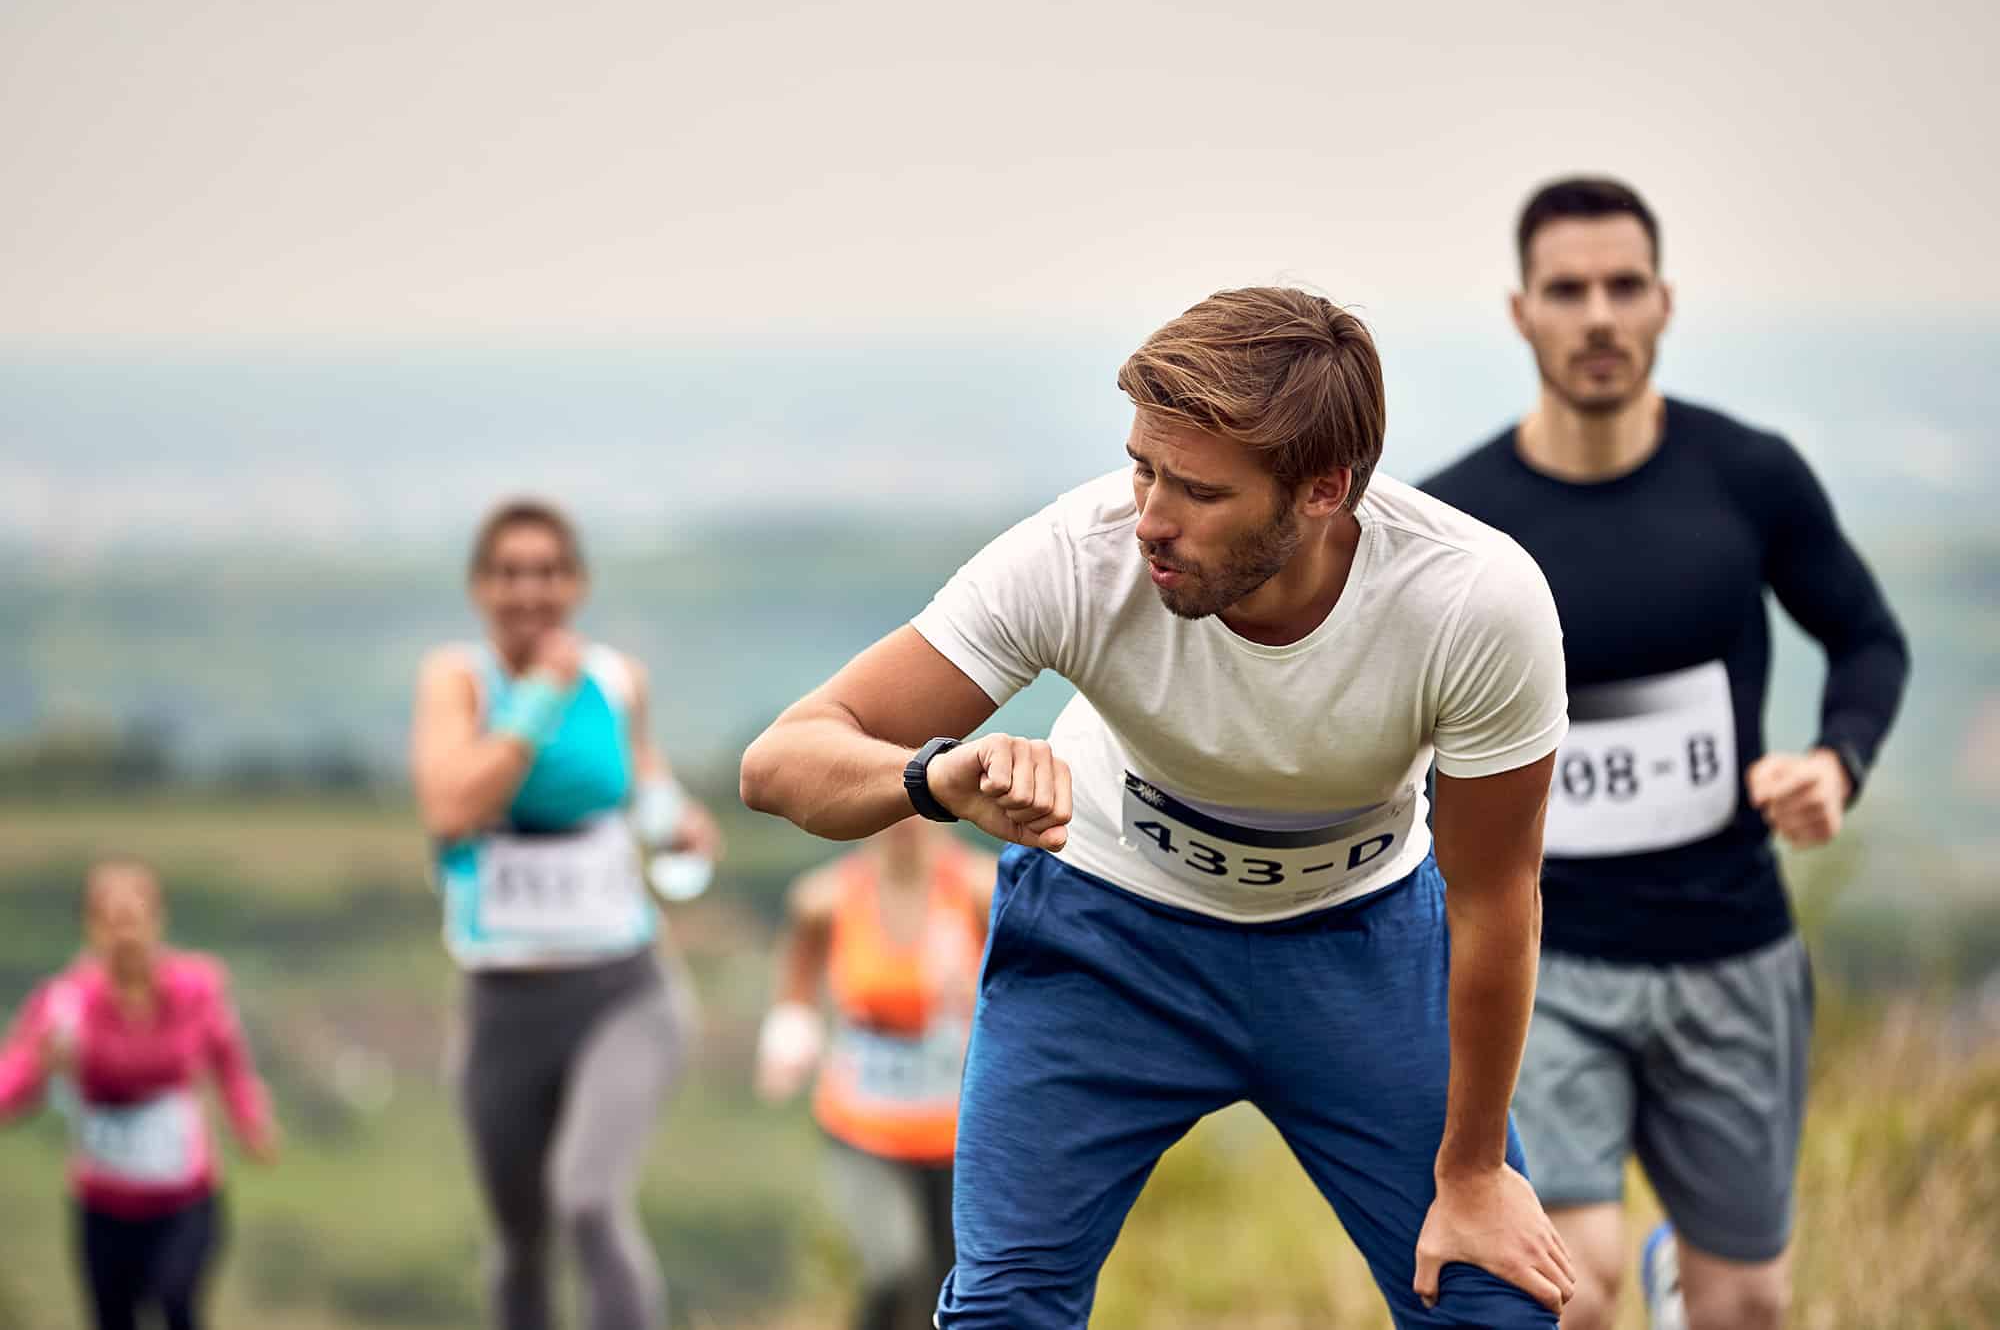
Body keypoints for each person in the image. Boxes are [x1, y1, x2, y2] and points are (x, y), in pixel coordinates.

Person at [741, 286, 1580, 1328]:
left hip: (1358, 947)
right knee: (1003, 1314)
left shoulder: (1471, 600)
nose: (1148, 518)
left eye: (1196, 490)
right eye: (1140, 466)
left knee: (1492, 1303)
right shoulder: (1081, 553)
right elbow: (781, 760)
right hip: (1105, 937)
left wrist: (1471, 1171)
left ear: (1323, 491)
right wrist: (930, 777)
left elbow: (1495, 894)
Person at [1421, 177, 1910, 1330]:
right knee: (1568, 1294)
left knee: (1746, 1306)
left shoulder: (1747, 478)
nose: (1597, 314)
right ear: (1519, 311)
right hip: (1546, 964)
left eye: (1622, 286)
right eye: (1567, 289)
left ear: (1663, 302)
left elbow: (1865, 638)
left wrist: (1834, 762)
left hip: (1730, 952)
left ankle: (1683, 1283)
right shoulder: (1461, 525)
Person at [409, 497, 723, 1330]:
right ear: (480, 586)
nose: (529, 591)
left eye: (548, 571)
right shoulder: (460, 680)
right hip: (502, 1002)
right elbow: (451, 806)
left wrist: (680, 822)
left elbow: (643, 784)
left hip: (622, 989)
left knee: (587, 1197)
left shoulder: (617, 680)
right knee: (519, 1240)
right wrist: (537, 697)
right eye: (509, 572)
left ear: (575, 582)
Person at [0, 857, 279, 1330]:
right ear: (91, 927)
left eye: (135, 917)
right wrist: (40, 1066)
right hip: (103, 1201)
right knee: (112, 1318)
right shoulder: (66, 1003)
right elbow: (18, 1078)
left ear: (158, 919)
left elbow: (229, 1061)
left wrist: (249, 1122)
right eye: (111, 919)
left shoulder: (198, 990)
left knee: (176, 1302)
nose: (125, 933)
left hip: (185, 1196)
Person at [754, 818, 996, 1330]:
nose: (904, 823)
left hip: (957, 1130)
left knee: (950, 1284)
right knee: (893, 1266)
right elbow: (797, 992)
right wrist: (788, 1044)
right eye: (889, 806)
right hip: (864, 1123)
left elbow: (1020, 985)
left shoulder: (980, 889)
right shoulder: (824, 900)